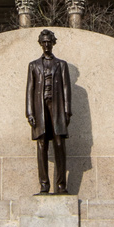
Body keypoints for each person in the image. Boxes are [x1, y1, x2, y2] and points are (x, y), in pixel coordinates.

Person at [25, 28, 71, 194]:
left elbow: (66, 89)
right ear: (40, 43)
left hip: (57, 106)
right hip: (39, 108)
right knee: (41, 145)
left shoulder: (62, 65)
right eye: (43, 42)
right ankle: (44, 185)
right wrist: (29, 113)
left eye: (49, 42)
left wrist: (67, 112)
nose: (46, 45)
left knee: (59, 144)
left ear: (53, 43)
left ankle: (61, 185)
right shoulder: (33, 65)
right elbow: (30, 90)